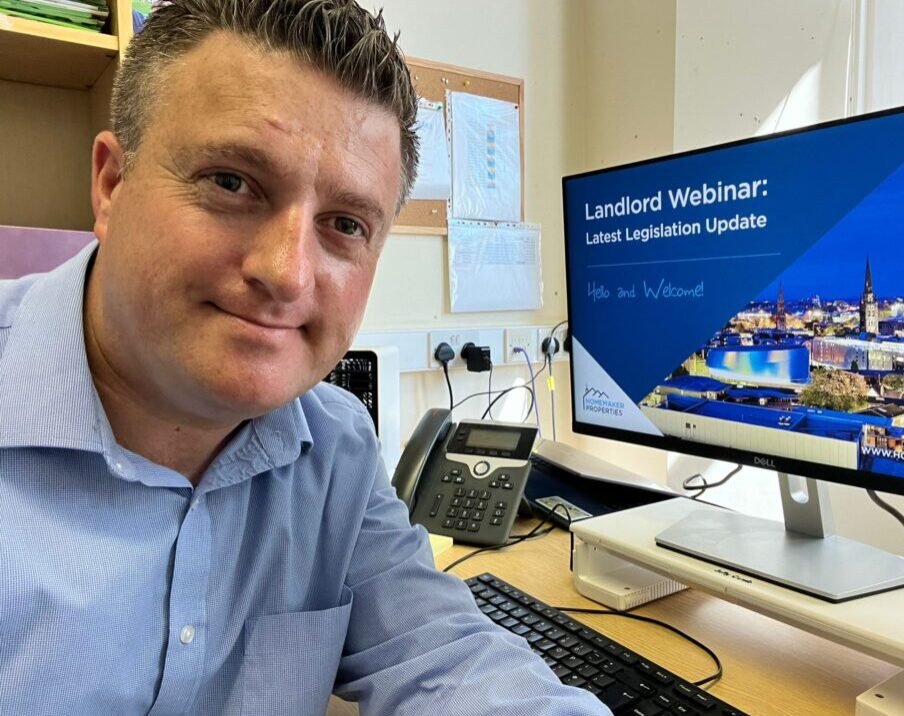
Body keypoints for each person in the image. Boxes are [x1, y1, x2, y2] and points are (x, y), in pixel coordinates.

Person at [0, 1, 611, 714]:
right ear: (111, 184)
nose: (288, 273)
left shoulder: (333, 447)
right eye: (231, 182)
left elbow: (447, 655)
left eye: (345, 225)